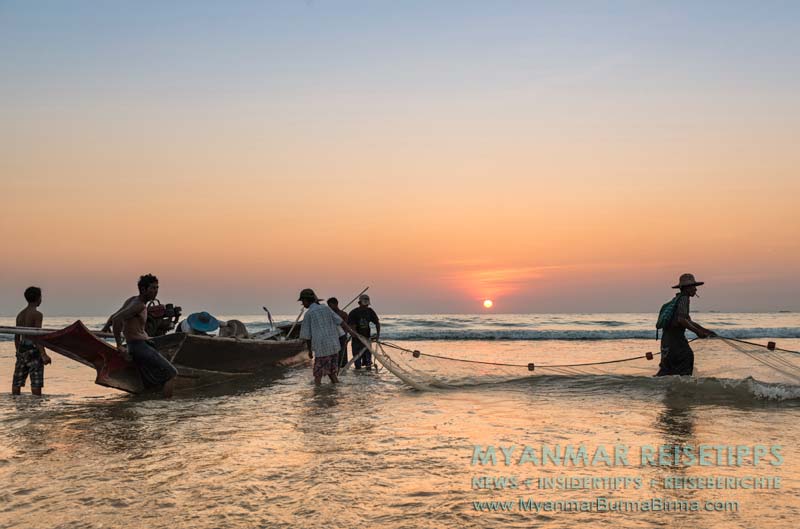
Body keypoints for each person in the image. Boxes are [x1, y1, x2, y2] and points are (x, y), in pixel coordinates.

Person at [102, 274, 178, 397]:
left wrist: (105, 328)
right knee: (172, 373)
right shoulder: (139, 305)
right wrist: (119, 345)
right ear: (143, 289)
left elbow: (113, 316)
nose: (156, 291)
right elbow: (117, 319)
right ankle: (166, 406)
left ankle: (148, 399)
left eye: (157, 288)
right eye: (152, 288)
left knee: (149, 379)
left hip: (139, 345)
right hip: (139, 347)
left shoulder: (132, 300)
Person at [655, 273, 716, 377]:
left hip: (666, 342)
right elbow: (682, 320)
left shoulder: (676, 301)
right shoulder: (684, 299)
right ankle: (683, 391)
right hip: (676, 341)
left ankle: (662, 391)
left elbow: (688, 321)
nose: (696, 289)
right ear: (687, 288)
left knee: (666, 371)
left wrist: (706, 331)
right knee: (686, 359)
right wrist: (698, 332)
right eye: (694, 286)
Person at [298, 289, 357, 385]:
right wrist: (350, 331)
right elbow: (341, 321)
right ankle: (335, 391)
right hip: (334, 346)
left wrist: (309, 351)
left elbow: (307, 336)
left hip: (322, 349)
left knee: (318, 376)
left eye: (303, 301)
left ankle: (318, 395)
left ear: (307, 300)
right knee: (332, 373)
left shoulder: (308, 314)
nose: (303, 304)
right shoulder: (326, 308)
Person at [12, 286, 52, 395]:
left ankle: (17, 404)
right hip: (33, 350)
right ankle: (35, 408)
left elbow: (16, 337)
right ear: (38, 298)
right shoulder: (37, 314)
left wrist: (18, 352)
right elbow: (36, 336)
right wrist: (43, 354)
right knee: (36, 382)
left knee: (17, 382)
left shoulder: (20, 315)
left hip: (21, 349)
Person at [348, 294, 380, 369]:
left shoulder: (370, 311)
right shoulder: (354, 312)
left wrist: (378, 335)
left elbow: (377, 323)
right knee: (357, 362)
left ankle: (367, 377)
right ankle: (360, 378)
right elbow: (352, 327)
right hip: (357, 341)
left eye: (367, 305)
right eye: (364, 305)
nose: (366, 307)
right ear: (359, 303)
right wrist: (356, 335)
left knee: (368, 362)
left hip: (367, 339)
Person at [327, 297, 350, 368]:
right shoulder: (329, 315)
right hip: (332, 338)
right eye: (329, 306)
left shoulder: (343, 314)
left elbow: (346, 326)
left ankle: (343, 371)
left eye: (331, 305)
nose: (330, 307)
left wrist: (345, 336)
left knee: (343, 356)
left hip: (342, 337)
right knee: (334, 357)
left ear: (336, 304)